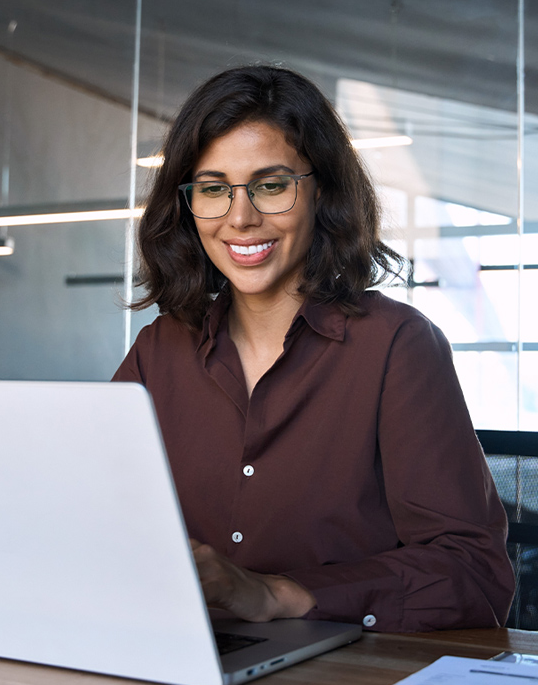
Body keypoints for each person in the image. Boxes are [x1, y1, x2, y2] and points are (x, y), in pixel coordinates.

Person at [112, 65, 514, 632]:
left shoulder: (395, 346)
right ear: (188, 204)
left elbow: (474, 575)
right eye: (213, 189)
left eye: (271, 185)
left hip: (341, 677)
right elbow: (95, 523)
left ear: (320, 191)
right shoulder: (159, 352)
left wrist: (279, 594)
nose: (241, 218)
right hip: (184, 663)